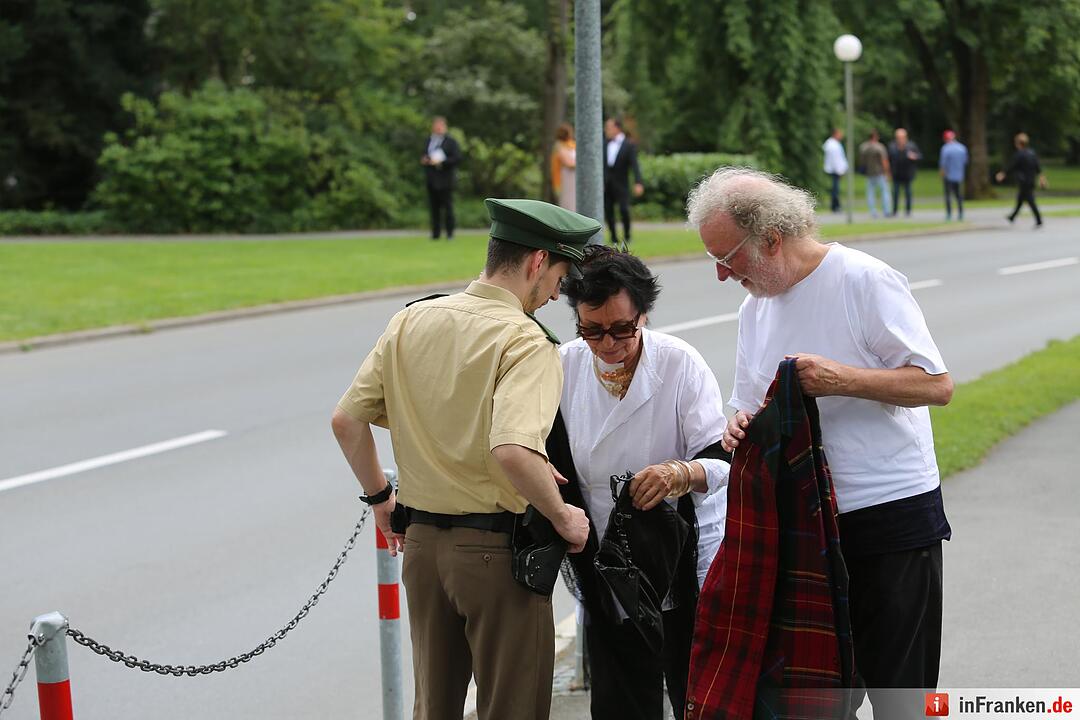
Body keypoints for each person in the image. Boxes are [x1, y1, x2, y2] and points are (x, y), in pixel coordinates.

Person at [687, 167, 954, 720]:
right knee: (816, 699)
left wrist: (842, 379)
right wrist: (737, 427)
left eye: (726, 257)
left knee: (901, 694)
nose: (720, 274)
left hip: (888, 517)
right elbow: (748, 403)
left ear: (771, 238)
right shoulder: (754, 306)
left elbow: (936, 384)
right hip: (806, 524)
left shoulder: (863, 280)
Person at [331, 198, 597, 720]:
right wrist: (566, 518)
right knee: (511, 708)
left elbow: (346, 422)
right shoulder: (525, 340)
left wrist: (381, 501)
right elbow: (513, 449)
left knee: (433, 707)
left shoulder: (411, 320)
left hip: (423, 548)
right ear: (538, 262)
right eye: (560, 278)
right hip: (499, 553)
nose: (553, 296)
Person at [550, 246, 730, 720]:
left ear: (643, 315)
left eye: (621, 329)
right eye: (592, 330)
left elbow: (722, 457)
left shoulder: (678, 363)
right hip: (604, 557)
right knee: (620, 692)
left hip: (676, 550)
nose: (607, 344)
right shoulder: (563, 366)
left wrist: (679, 473)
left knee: (693, 687)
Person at [603, 117, 645, 250]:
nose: (606, 130)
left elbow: (635, 165)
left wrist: (638, 182)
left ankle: (627, 235)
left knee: (624, 210)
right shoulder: (604, 143)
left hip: (622, 184)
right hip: (607, 184)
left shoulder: (628, 145)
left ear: (617, 128)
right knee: (608, 211)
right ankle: (613, 237)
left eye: (609, 127)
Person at [421, 116, 462, 240]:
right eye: (436, 125)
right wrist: (425, 160)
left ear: (445, 127)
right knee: (434, 208)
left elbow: (457, 158)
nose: (438, 128)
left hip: (446, 180)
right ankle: (435, 234)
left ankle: (450, 233)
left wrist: (441, 161)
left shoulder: (451, 142)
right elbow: (424, 154)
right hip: (432, 179)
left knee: (448, 207)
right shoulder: (429, 140)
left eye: (441, 126)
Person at [996, 132, 1046, 227]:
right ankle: (1012, 217)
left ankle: (1039, 219)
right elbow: (1038, 167)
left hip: (1023, 181)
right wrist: (1042, 179)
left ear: (1018, 143)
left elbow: (1012, 166)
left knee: (1030, 201)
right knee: (1020, 200)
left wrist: (1003, 174)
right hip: (1031, 180)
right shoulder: (1032, 153)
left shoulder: (1019, 155)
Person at [888, 128, 922, 217]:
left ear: (905, 137)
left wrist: (914, 157)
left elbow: (919, 156)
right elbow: (889, 159)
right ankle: (895, 211)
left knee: (908, 193)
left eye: (901, 137)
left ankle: (908, 211)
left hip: (908, 174)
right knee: (895, 194)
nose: (900, 139)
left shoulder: (911, 146)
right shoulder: (892, 146)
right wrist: (888, 172)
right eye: (898, 137)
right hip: (896, 174)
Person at [857, 129, 891, 218]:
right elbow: (884, 161)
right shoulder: (879, 147)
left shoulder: (863, 147)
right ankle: (886, 210)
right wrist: (887, 172)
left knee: (870, 194)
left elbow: (861, 161)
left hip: (869, 173)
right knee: (884, 192)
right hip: (880, 173)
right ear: (876, 137)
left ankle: (873, 212)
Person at [939, 130, 969, 221]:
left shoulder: (945, 148)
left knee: (948, 196)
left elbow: (943, 163)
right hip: (959, 175)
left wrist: (942, 174)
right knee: (958, 195)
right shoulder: (962, 148)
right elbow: (965, 161)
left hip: (948, 176)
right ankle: (960, 213)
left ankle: (949, 214)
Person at [551, 123, 577, 212]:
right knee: (568, 202)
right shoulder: (559, 146)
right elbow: (569, 163)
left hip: (574, 178)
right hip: (566, 179)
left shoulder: (573, 144)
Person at [823, 128, 848, 213]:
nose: (841, 136)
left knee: (835, 188)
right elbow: (835, 160)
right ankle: (835, 206)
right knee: (835, 189)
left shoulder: (832, 144)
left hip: (835, 169)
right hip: (835, 170)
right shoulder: (832, 145)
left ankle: (835, 205)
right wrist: (840, 170)